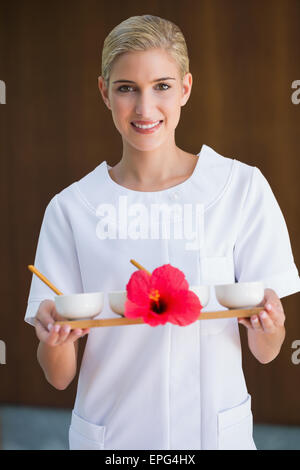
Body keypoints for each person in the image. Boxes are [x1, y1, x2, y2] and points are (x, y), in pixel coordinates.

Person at [24, 14, 300, 450]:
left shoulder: (240, 189)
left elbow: (266, 351)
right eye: (126, 88)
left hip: (213, 436)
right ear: (104, 92)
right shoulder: (71, 209)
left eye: (162, 86)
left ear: (186, 88)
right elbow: (58, 377)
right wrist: (54, 340)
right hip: (114, 440)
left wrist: (269, 324)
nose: (145, 108)